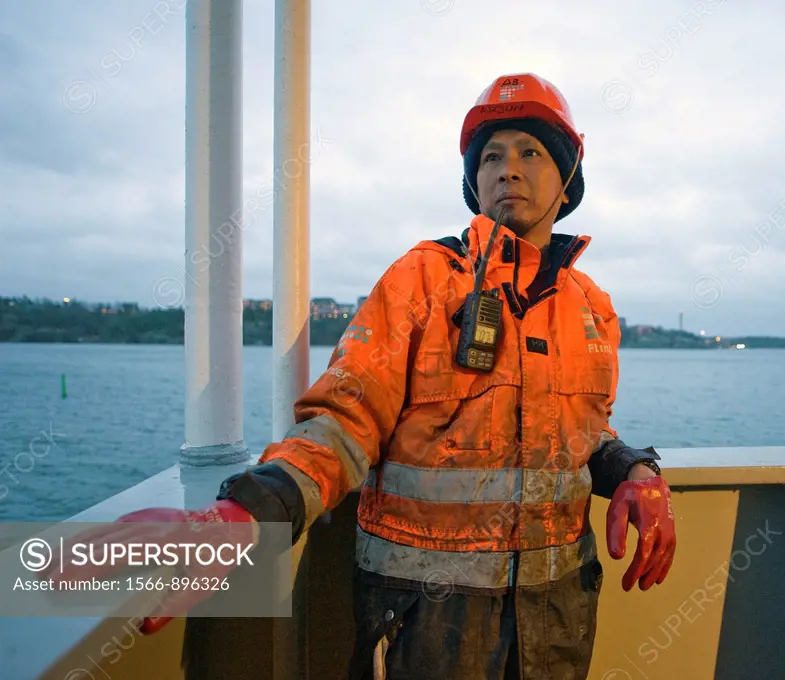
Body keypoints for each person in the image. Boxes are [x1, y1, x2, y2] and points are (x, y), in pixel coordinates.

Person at [57, 72, 676, 680]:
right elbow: (346, 419)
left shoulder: (590, 305)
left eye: (530, 152)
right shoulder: (422, 279)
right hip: (425, 622)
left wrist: (632, 470)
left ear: (568, 178)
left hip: (557, 619)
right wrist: (244, 515)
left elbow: (583, 431)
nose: (506, 169)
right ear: (473, 181)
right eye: (490, 156)